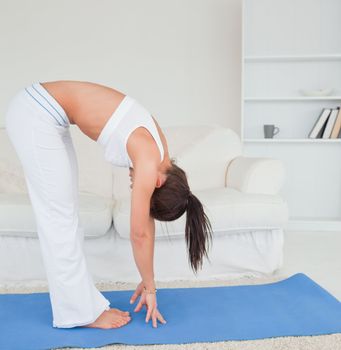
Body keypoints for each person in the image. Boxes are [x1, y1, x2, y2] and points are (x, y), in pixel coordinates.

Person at [4, 80, 213, 330]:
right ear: (158, 182)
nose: (133, 184)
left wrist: (149, 282)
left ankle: (83, 305)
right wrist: (150, 287)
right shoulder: (148, 160)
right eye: (139, 188)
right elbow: (140, 233)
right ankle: (79, 314)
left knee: (65, 216)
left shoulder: (157, 152)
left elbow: (145, 225)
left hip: (45, 116)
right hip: (36, 113)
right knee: (58, 219)